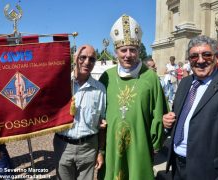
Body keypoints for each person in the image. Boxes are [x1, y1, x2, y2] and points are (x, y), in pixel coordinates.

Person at [98, 14, 169, 180]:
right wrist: (99, 148)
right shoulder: (106, 77)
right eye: (123, 50)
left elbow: (159, 113)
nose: (128, 55)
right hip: (111, 147)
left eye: (133, 50)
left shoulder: (150, 77)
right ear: (116, 52)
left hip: (140, 146)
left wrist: (155, 143)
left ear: (139, 50)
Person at [163, 35, 218, 180]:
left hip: (209, 172)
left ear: (216, 57)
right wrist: (168, 124)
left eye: (206, 55)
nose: (201, 60)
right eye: (194, 56)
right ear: (189, 60)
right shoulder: (185, 83)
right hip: (177, 168)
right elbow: (185, 121)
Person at [53, 45, 107, 180]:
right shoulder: (61, 84)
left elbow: (101, 123)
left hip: (88, 148)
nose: (87, 62)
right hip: (63, 146)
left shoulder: (100, 89)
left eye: (92, 59)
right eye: (83, 57)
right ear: (75, 58)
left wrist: (100, 151)